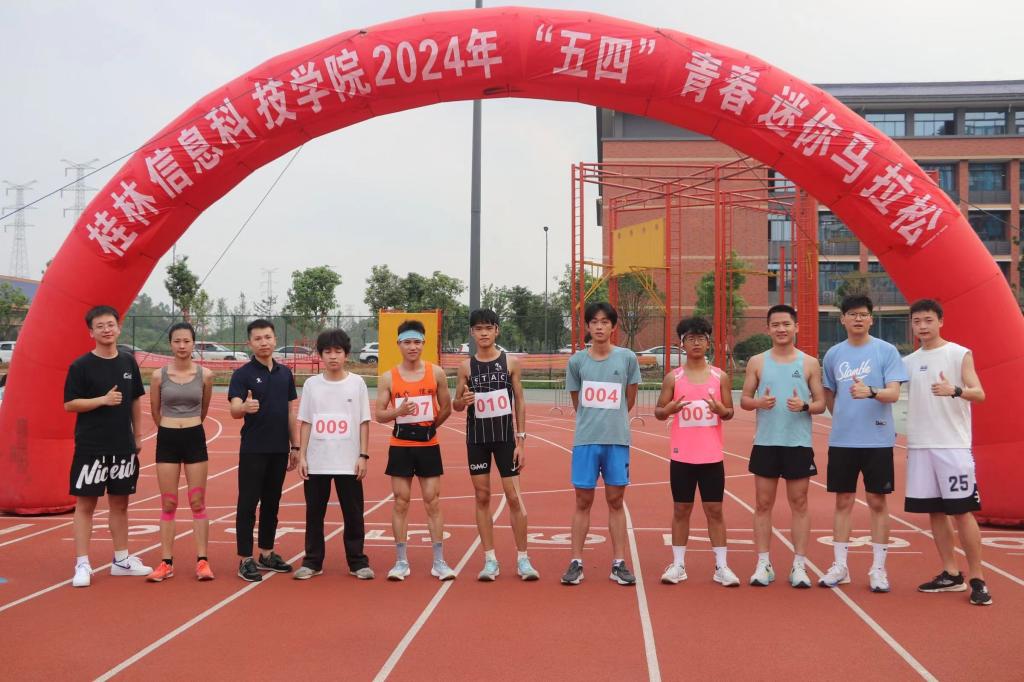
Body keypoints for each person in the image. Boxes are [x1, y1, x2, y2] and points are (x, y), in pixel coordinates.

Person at [903, 299, 991, 605]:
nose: (922, 326)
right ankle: (951, 573)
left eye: (928, 320)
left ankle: (978, 578)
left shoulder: (958, 353)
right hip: (920, 445)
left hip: (952, 446)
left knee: (962, 511)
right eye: (917, 321)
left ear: (940, 321)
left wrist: (954, 390)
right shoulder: (908, 362)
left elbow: (979, 394)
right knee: (935, 511)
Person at [820, 295, 908, 592]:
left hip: (877, 440)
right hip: (843, 440)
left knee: (877, 502)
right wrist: (845, 417)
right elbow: (829, 395)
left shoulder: (886, 351)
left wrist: (870, 391)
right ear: (842, 319)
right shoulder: (833, 355)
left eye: (863, 314)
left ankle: (878, 569)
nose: (858, 319)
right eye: (852, 314)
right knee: (843, 501)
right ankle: (840, 566)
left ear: (871, 319)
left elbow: (893, 394)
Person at [63, 305, 152, 587]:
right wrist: (102, 400)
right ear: (91, 332)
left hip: (122, 445)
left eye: (110, 324)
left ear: (118, 327)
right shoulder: (80, 366)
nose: (106, 329)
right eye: (100, 326)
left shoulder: (128, 362)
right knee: (85, 505)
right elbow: (70, 404)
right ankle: (82, 564)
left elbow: (135, 399)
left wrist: (138, 436)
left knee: (120, 504)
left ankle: (121, 560)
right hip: (91, 446)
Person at [740, 304, 826, 589]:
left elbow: (821, 403)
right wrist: (759, 402)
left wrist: (805, 406)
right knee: (763, 504)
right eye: (775, 325)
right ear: (768, 329)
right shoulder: (757, 362)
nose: (781, 329)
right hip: (766, 442)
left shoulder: (809, 363)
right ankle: (763, 563)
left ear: (796, 327)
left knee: (799, 503)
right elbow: (744, 400)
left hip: (797, 442)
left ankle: (799, 565)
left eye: (786, 324)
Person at [453, 309, 539, 581]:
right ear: (472, 332)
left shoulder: (510, 363)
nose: (484, 333)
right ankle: (490, 560)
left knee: (513, 497)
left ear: (497, 330)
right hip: (477, 439)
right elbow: (456, 404)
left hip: (504, 439)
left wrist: (521, 440)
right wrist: (462, 401)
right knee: (482, 497)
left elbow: (520, 401)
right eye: (479, 328)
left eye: (488, 328)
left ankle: (523, 559)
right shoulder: (466, 367)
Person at [655, 316, 739, 587]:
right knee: (681, 509)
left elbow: (729, 412)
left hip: (711, 456)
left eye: (701, 338)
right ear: (682, 343)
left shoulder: (720, 377)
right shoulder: (673, 378)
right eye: (690, 338)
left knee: (715, 510)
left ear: (708, 342)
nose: (696, 343)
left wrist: (721, 410)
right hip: (682, 456)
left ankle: (722, 566)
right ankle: (678, 565)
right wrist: (668, 410)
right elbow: (659, 411)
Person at [561, 302, 641, 586]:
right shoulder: (576, 362)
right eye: (594, 321)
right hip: (586, 441)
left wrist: (611, 420)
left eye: (605, 322)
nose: (599, 326)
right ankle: (576, 562)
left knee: (616, 501)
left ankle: (619, 563)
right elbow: (577, 402)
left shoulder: (627, 358)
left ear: (613, 326)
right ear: (587, 326)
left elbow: (629, 399)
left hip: (616, 440)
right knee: (582, 501)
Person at [376, 319, 455, 581]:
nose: (413, 347)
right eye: (407, 342)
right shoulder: (388, 377)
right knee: (401, 501)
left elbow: (446, 406)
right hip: (401, 446)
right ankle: (401, 562)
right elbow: (379, 415)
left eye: (417, 342)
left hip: (428, 445)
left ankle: (439, 562)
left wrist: (431, 427)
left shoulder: (436, 373)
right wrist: (398, 411)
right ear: (399, 344)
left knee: (433, 500)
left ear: (424, 344)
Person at [294, 329, 373, 580]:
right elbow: (306, 421)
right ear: (320, 355)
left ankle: (357, 562)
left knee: (353, 514)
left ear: (346, 354)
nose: (333, 356)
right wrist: (302, 456)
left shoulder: (357, 383)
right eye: (327, 351)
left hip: (348, 462)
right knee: (314, 514)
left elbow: (363, 422)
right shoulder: (311, 385)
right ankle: (312, 561)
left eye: (338, 351)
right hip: (317, 461)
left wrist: (363, 455)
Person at [228, 319, 299, 582]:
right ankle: (245, 558)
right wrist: (244, 408)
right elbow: (234, 409)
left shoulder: (285, 373)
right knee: (248, 504)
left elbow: (290, 412)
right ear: (250, 343)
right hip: (253, 449)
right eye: (258, 339)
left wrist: (295, 446)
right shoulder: (242, 374)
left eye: (268, 337)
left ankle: (267, 553)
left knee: (272, 503)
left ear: (275, 339)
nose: (264, 342)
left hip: (279, 450)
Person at [147, 322, 215, 582]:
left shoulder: (206, 375)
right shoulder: (158, 376)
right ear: (170, 344)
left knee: (197, 501)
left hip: (194, 437)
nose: (182, 345)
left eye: (186, 341)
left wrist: (189, 425)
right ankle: (166, 562)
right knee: (168, 502)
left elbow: (204, 409)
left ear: (193, 343)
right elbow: (155, 410)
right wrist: (169, 427)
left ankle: (202, 561)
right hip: (167, 439)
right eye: (177, 341)